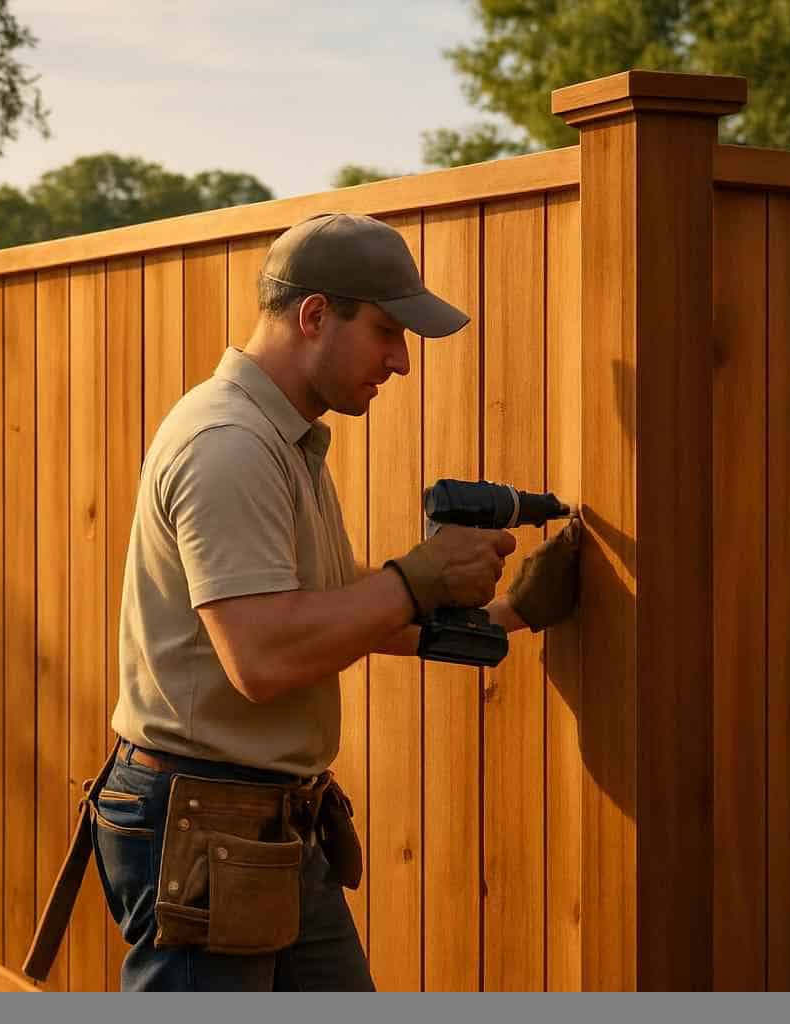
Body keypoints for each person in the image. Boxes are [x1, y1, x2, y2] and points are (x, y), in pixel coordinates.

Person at [83, 211, 583, 991]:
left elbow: (329, 603)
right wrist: (417, 578)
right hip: (206, 828)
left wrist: (501, 616)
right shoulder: (229, 444)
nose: (402, 361)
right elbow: (263, 656)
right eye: (387, 331)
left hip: (271, 823)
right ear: (314, 315)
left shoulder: (281, 437)